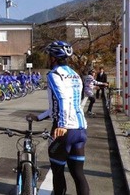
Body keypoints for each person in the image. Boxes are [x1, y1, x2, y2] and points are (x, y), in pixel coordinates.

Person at [27, 41, 89, 195]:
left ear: (54, 57)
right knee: (78, 174)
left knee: (58, 172)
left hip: (64, 130)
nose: (48, 59)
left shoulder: (54, 75)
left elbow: (62, 100)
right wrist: (39, 117)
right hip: (80, 129)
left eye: (49, 56)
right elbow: (67, 103)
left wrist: (62, 124)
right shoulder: (75, 75)